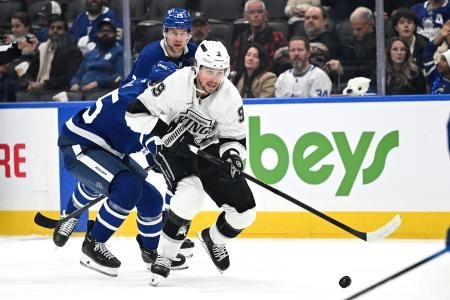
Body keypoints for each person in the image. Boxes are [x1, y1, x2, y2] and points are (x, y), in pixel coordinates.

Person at [125, 40, 257, 285]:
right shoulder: (176, 83)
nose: (214, 78)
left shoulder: (229, 96)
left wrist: (232, 159)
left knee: (244, 214)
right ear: (196, 67)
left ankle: (214, 240)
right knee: (191, 195)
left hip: (209, 150)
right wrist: (164, 131)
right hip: (174, 149)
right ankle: (164, 256)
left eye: (220, 72)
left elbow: (235, 138)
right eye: (209, 70)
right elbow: (134, 113)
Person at [54, 61, 188, 277]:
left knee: (151, 199)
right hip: (80, 144)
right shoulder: (139, 102)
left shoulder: (153, 94)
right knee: (127, 188)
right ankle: (93, 244)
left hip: (108, 149)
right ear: (155, 84)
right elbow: (149, 138)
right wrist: (158, 155)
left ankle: (152, 251)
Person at [15, 15, 82, 101]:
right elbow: (31, 72)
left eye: (59, 28)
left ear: (66, 32)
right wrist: (30, 83)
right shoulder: (42, 49)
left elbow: (68, 79)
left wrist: (44, 85)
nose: (55, 31)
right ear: (48, 31)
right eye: (52, 28)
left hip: (56, 91)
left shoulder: (73, 51)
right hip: (37, 90)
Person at [123, 8, 197, 83]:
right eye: (174, 33)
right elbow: (134, 89)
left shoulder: (195, 53)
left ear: (189, 35)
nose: (178, 39)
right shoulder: (149, 55)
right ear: (165, 32)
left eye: (183, 34)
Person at [68, 18, 123, 100]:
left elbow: (121, 76)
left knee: (92, 98)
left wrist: (98, 82)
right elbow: (78, 74)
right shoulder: (90, 54)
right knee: (61, 97)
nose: (105, 33)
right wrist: (75, 83)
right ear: (97, 34)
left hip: (104, 90)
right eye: (102, 31)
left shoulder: (119, 52)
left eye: (109, 31)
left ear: (115, 34)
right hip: (82, 91)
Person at [231, 0, 287, 74]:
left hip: (267, 78)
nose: (256, 15)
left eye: (259, 12)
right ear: (245, 16)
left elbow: (276, 65)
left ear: (265, 15)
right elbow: (236, 63)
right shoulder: (242, 38)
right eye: (252, 12)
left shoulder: (275, 35)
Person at [424, 21, 450, 94]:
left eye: (444, 60)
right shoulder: (433, 74)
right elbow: (427, 54)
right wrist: (440, 37)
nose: (438, 62)